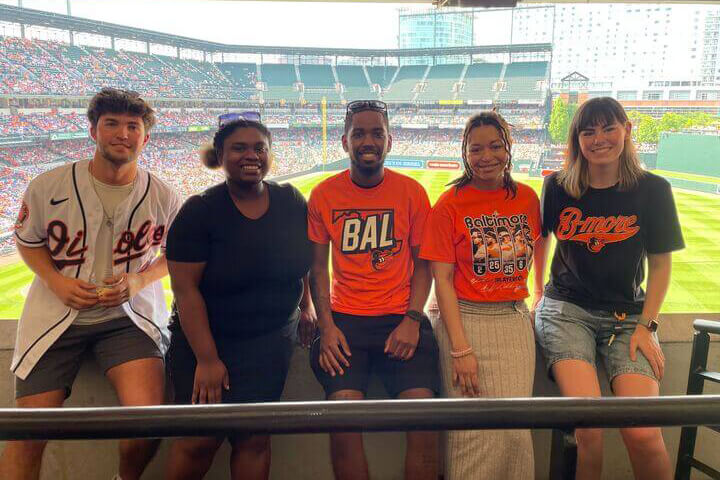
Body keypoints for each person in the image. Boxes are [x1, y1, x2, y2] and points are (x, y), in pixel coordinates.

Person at [0, 87, 180, 480]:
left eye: (132, 126)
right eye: (111, 123)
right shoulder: (47, 185)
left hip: (128, 318)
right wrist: (55, 281)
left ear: (145, 137)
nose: (122, 133)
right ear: (93, 131)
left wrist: (140, 279)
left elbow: (176, 256)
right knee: (25, 433)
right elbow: (28, 241)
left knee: (148, 422)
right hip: (55, 317)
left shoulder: (164, 194)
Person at [535, 97, 684, 480]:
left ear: (627, 130)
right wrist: (536, 292)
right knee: (590, 427)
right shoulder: (557, 186)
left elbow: (661, 264)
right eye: (588, 131)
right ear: (577, 139)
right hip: (566, 311)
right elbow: (541, 240)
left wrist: (647, 326)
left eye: (608, 128)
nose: (598, 139)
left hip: (628, 317)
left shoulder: (653, 189)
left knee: (644, 432)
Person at [164, 113, 315, 480]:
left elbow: (304, 261)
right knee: (200, 439)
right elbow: (185, 290)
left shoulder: (291, 199)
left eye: (259, 148)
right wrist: (208, 359)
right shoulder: (199, 210)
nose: (251, 156)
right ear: (220, 155)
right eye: (239, 148)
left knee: (255, 437)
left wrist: (306, 306)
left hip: (270, 342)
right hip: (208, 342)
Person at [308, 100, 439, 480]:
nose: (369, 140)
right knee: (344, 423)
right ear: (345, 142)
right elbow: (317, 268)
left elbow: (423, 265)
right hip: (345, 322)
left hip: (400, 317)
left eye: (377, 133)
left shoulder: (412, 193)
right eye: (359, 133)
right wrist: (326, 327)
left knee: (423, 419)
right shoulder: (324, 195)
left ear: (390, 141)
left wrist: (413, 320)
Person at [420, 111, 547, 479]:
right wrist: (460, 349)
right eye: (476, 149)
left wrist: (538, 291)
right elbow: (441, 280)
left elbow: (539, 244)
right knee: (471, 434)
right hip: (464, 321)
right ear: (465, 152)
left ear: (509, 148)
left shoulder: (526, 198)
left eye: (495, 146)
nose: (486, 156)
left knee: (514, 432)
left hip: (513, 320)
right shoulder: (450, 204)